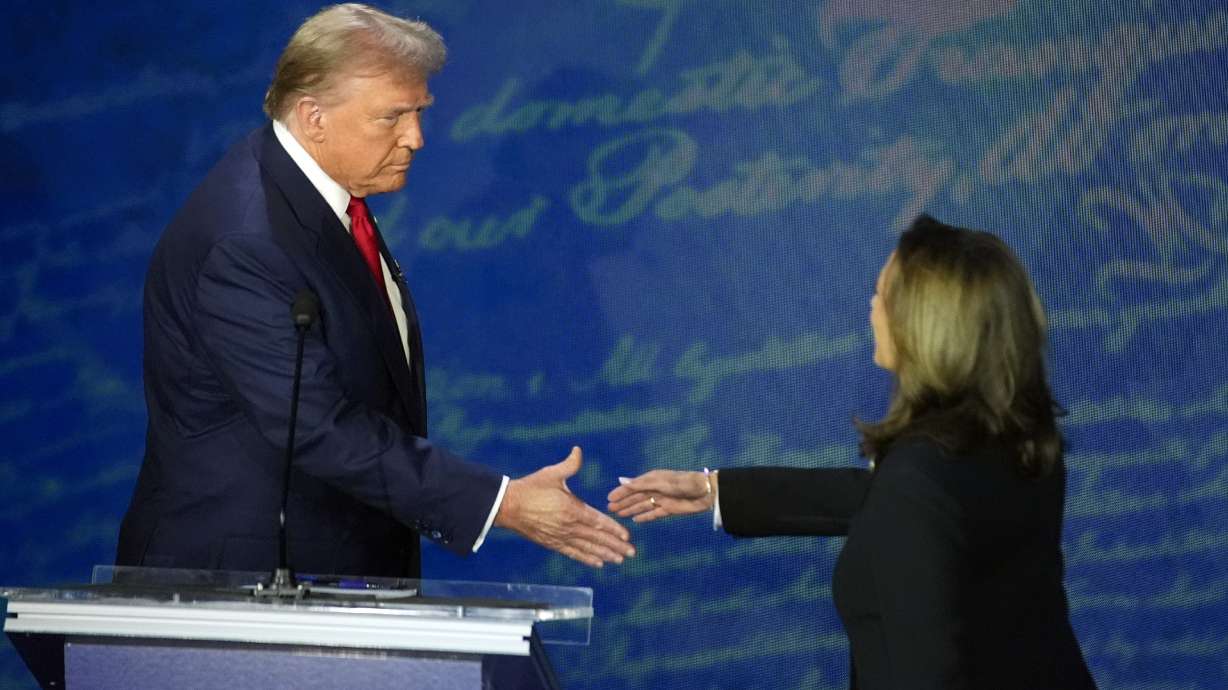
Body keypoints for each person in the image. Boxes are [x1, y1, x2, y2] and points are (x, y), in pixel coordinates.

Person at [116, 3, 635, 578]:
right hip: (241, 585)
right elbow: (318, 426)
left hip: (326, 570)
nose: (415, 137)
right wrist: (501, 504)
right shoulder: (248, 239)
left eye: (419, 112)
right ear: (314, 117)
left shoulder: (319, 197)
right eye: (392, 117)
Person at [608, 215, 1097, 689]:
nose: (871, 306)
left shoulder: (919, 480)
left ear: (923, 328)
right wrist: (714, 490)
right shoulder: (1020, 439)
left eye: (883, 295)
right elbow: (890, 501)